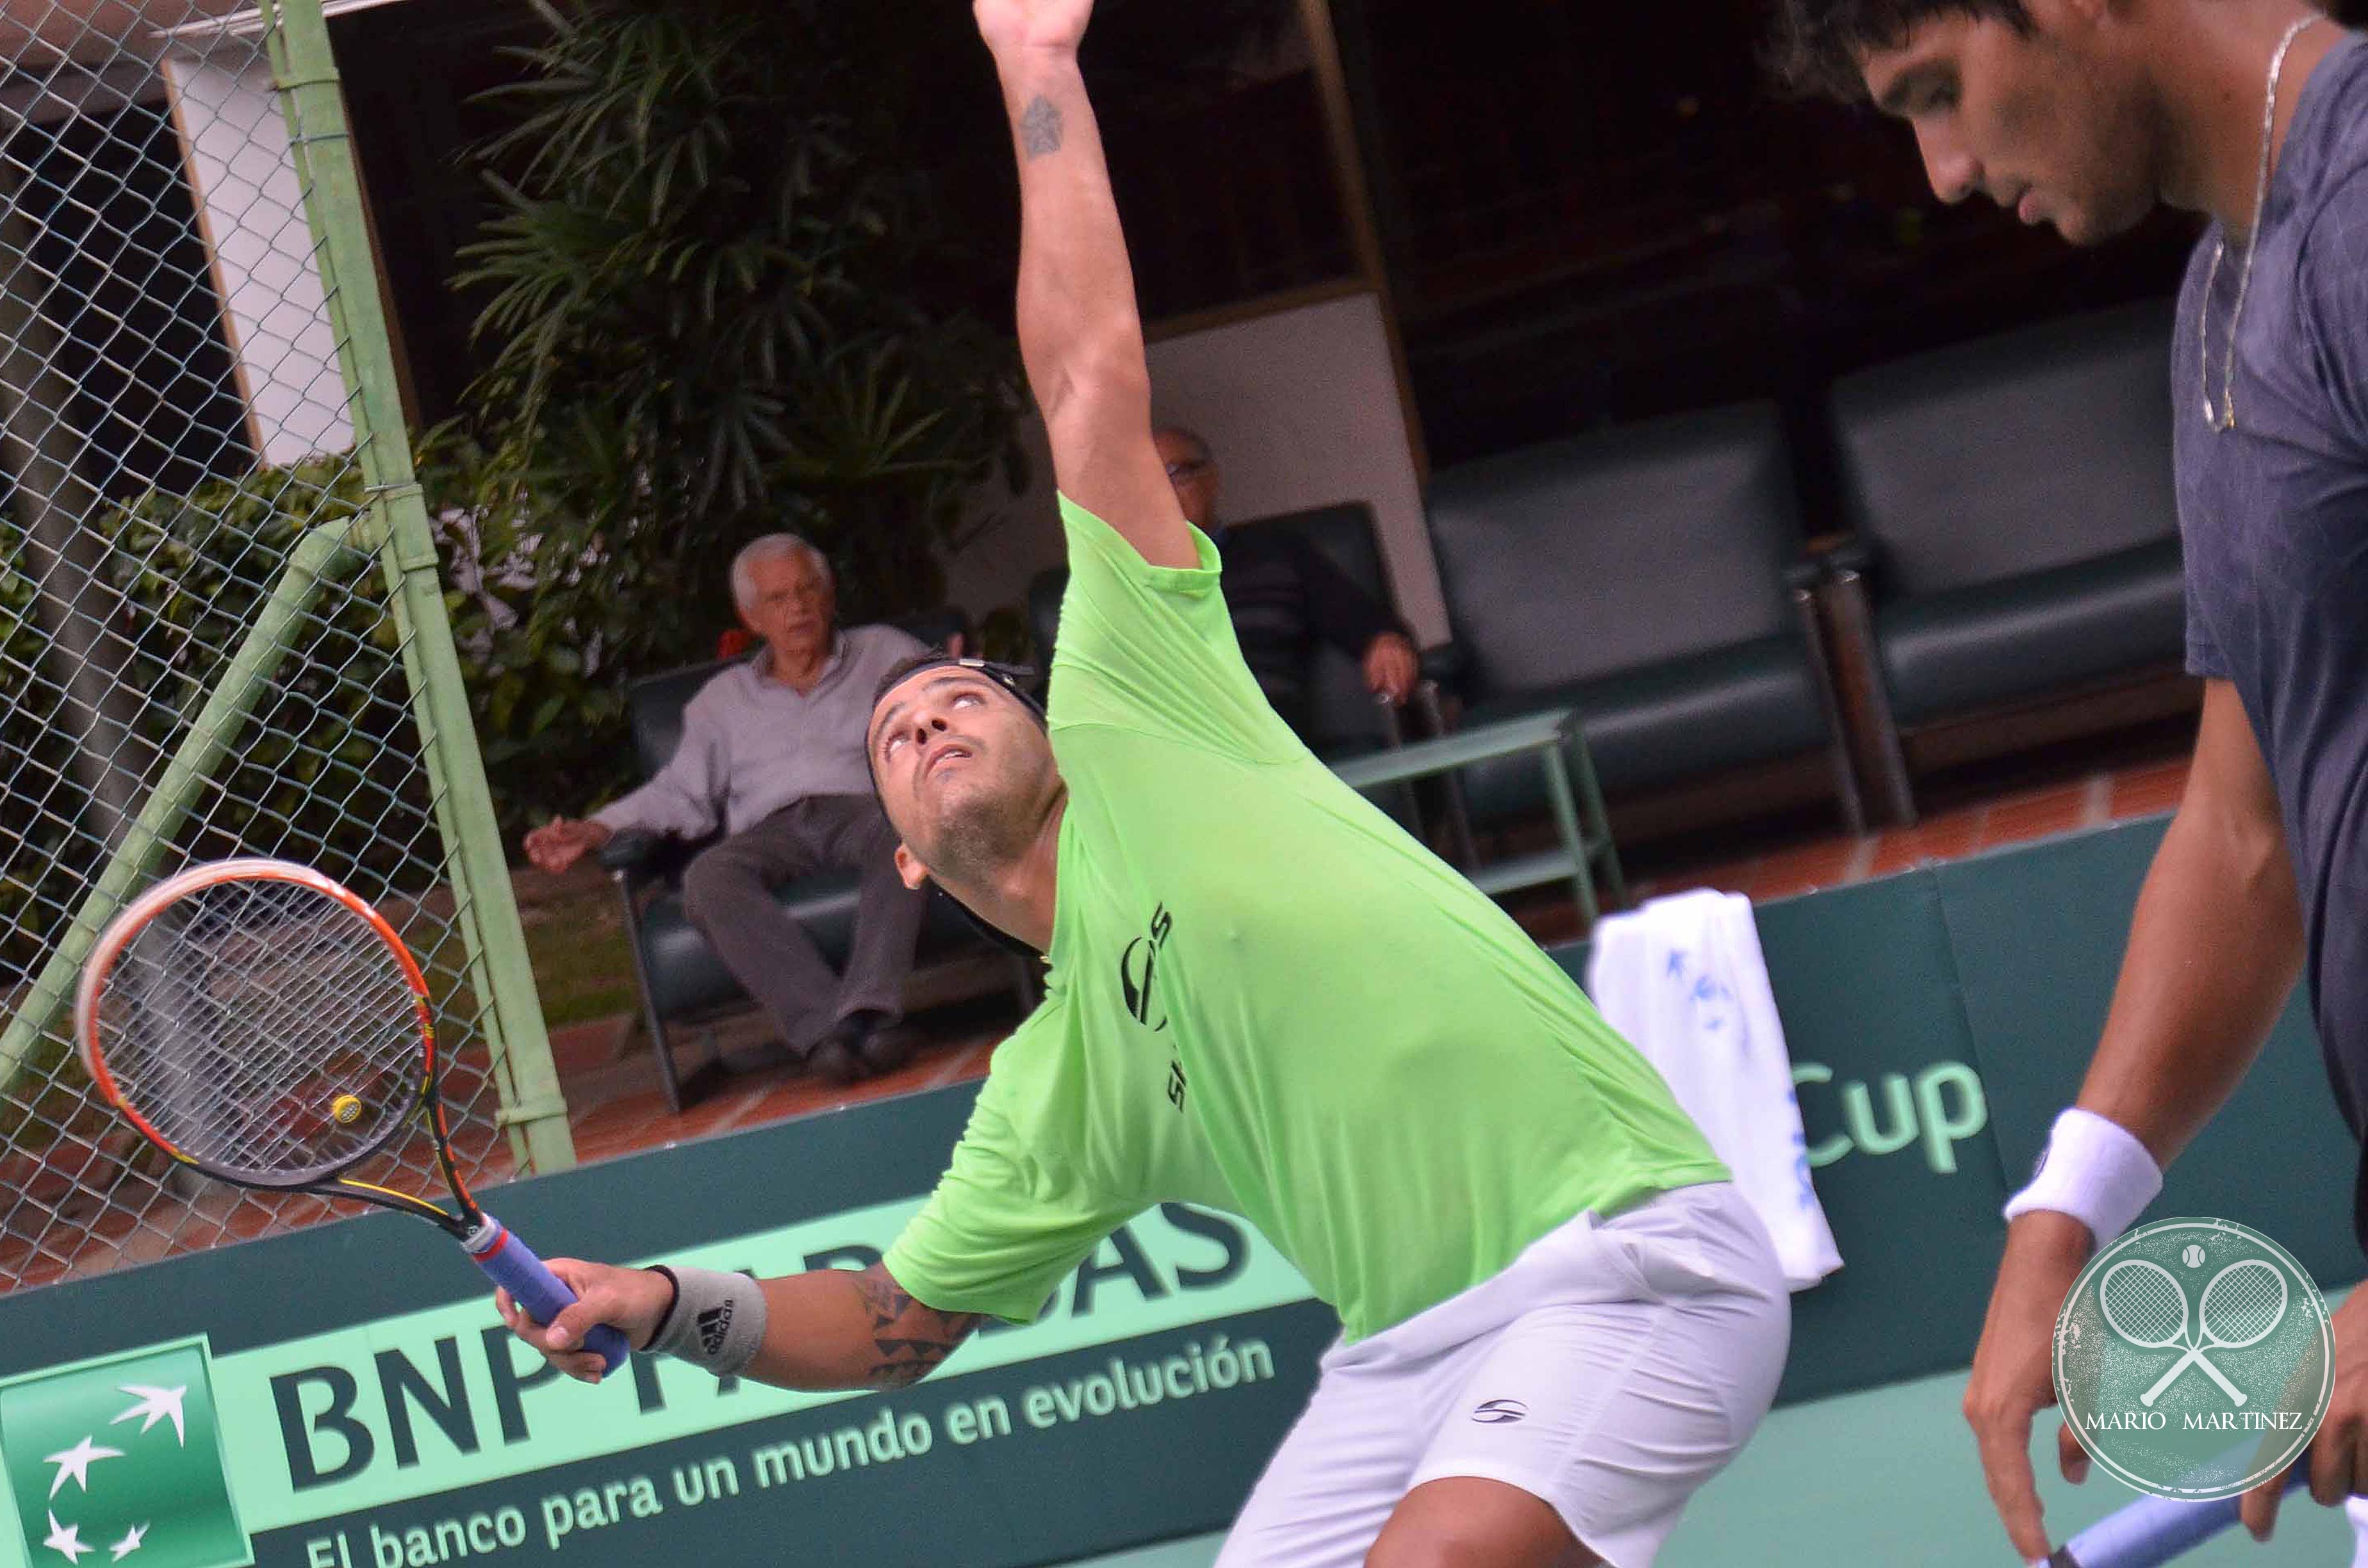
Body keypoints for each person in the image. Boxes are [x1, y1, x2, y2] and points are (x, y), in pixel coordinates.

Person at [497, 2, 1791, 1563]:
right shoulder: (1056, 1089)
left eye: (962, 689)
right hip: (1403, 1358)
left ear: (1049, 729)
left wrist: (1036, 69)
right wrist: (663, 1303)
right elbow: (891, 1320)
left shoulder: (1149, 714)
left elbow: (1086, 376)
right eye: (893, 733)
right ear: (900, 858)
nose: (923, 715)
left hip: (1623, 1261)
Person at [1770, 0, 2368, 1556]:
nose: (1947, 171)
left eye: (1941, 91)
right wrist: (2065, 1217)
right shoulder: (2222, 302)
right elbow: (2249, 833)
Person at [523, 534, 932, 1082]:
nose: (799, 607)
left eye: (808, 590)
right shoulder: (724, 699)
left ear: (830, 593)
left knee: (904, 833)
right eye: (779, 598)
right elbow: (679, 793)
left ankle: (870, 1013)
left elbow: (952, 707)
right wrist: (597, 828)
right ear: (751, 616)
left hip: (866, 808)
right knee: (710, 876)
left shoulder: (885, 651)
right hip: (772, 830)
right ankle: (825, 1032)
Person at [1150, 424, 1420, 739]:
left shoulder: (1276, 553)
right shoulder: (1121, 581)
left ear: (1211, 479)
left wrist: (1386, 640)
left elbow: (1369, 624)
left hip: (1264, 741)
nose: (1162, 494)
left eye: (1175, 475)